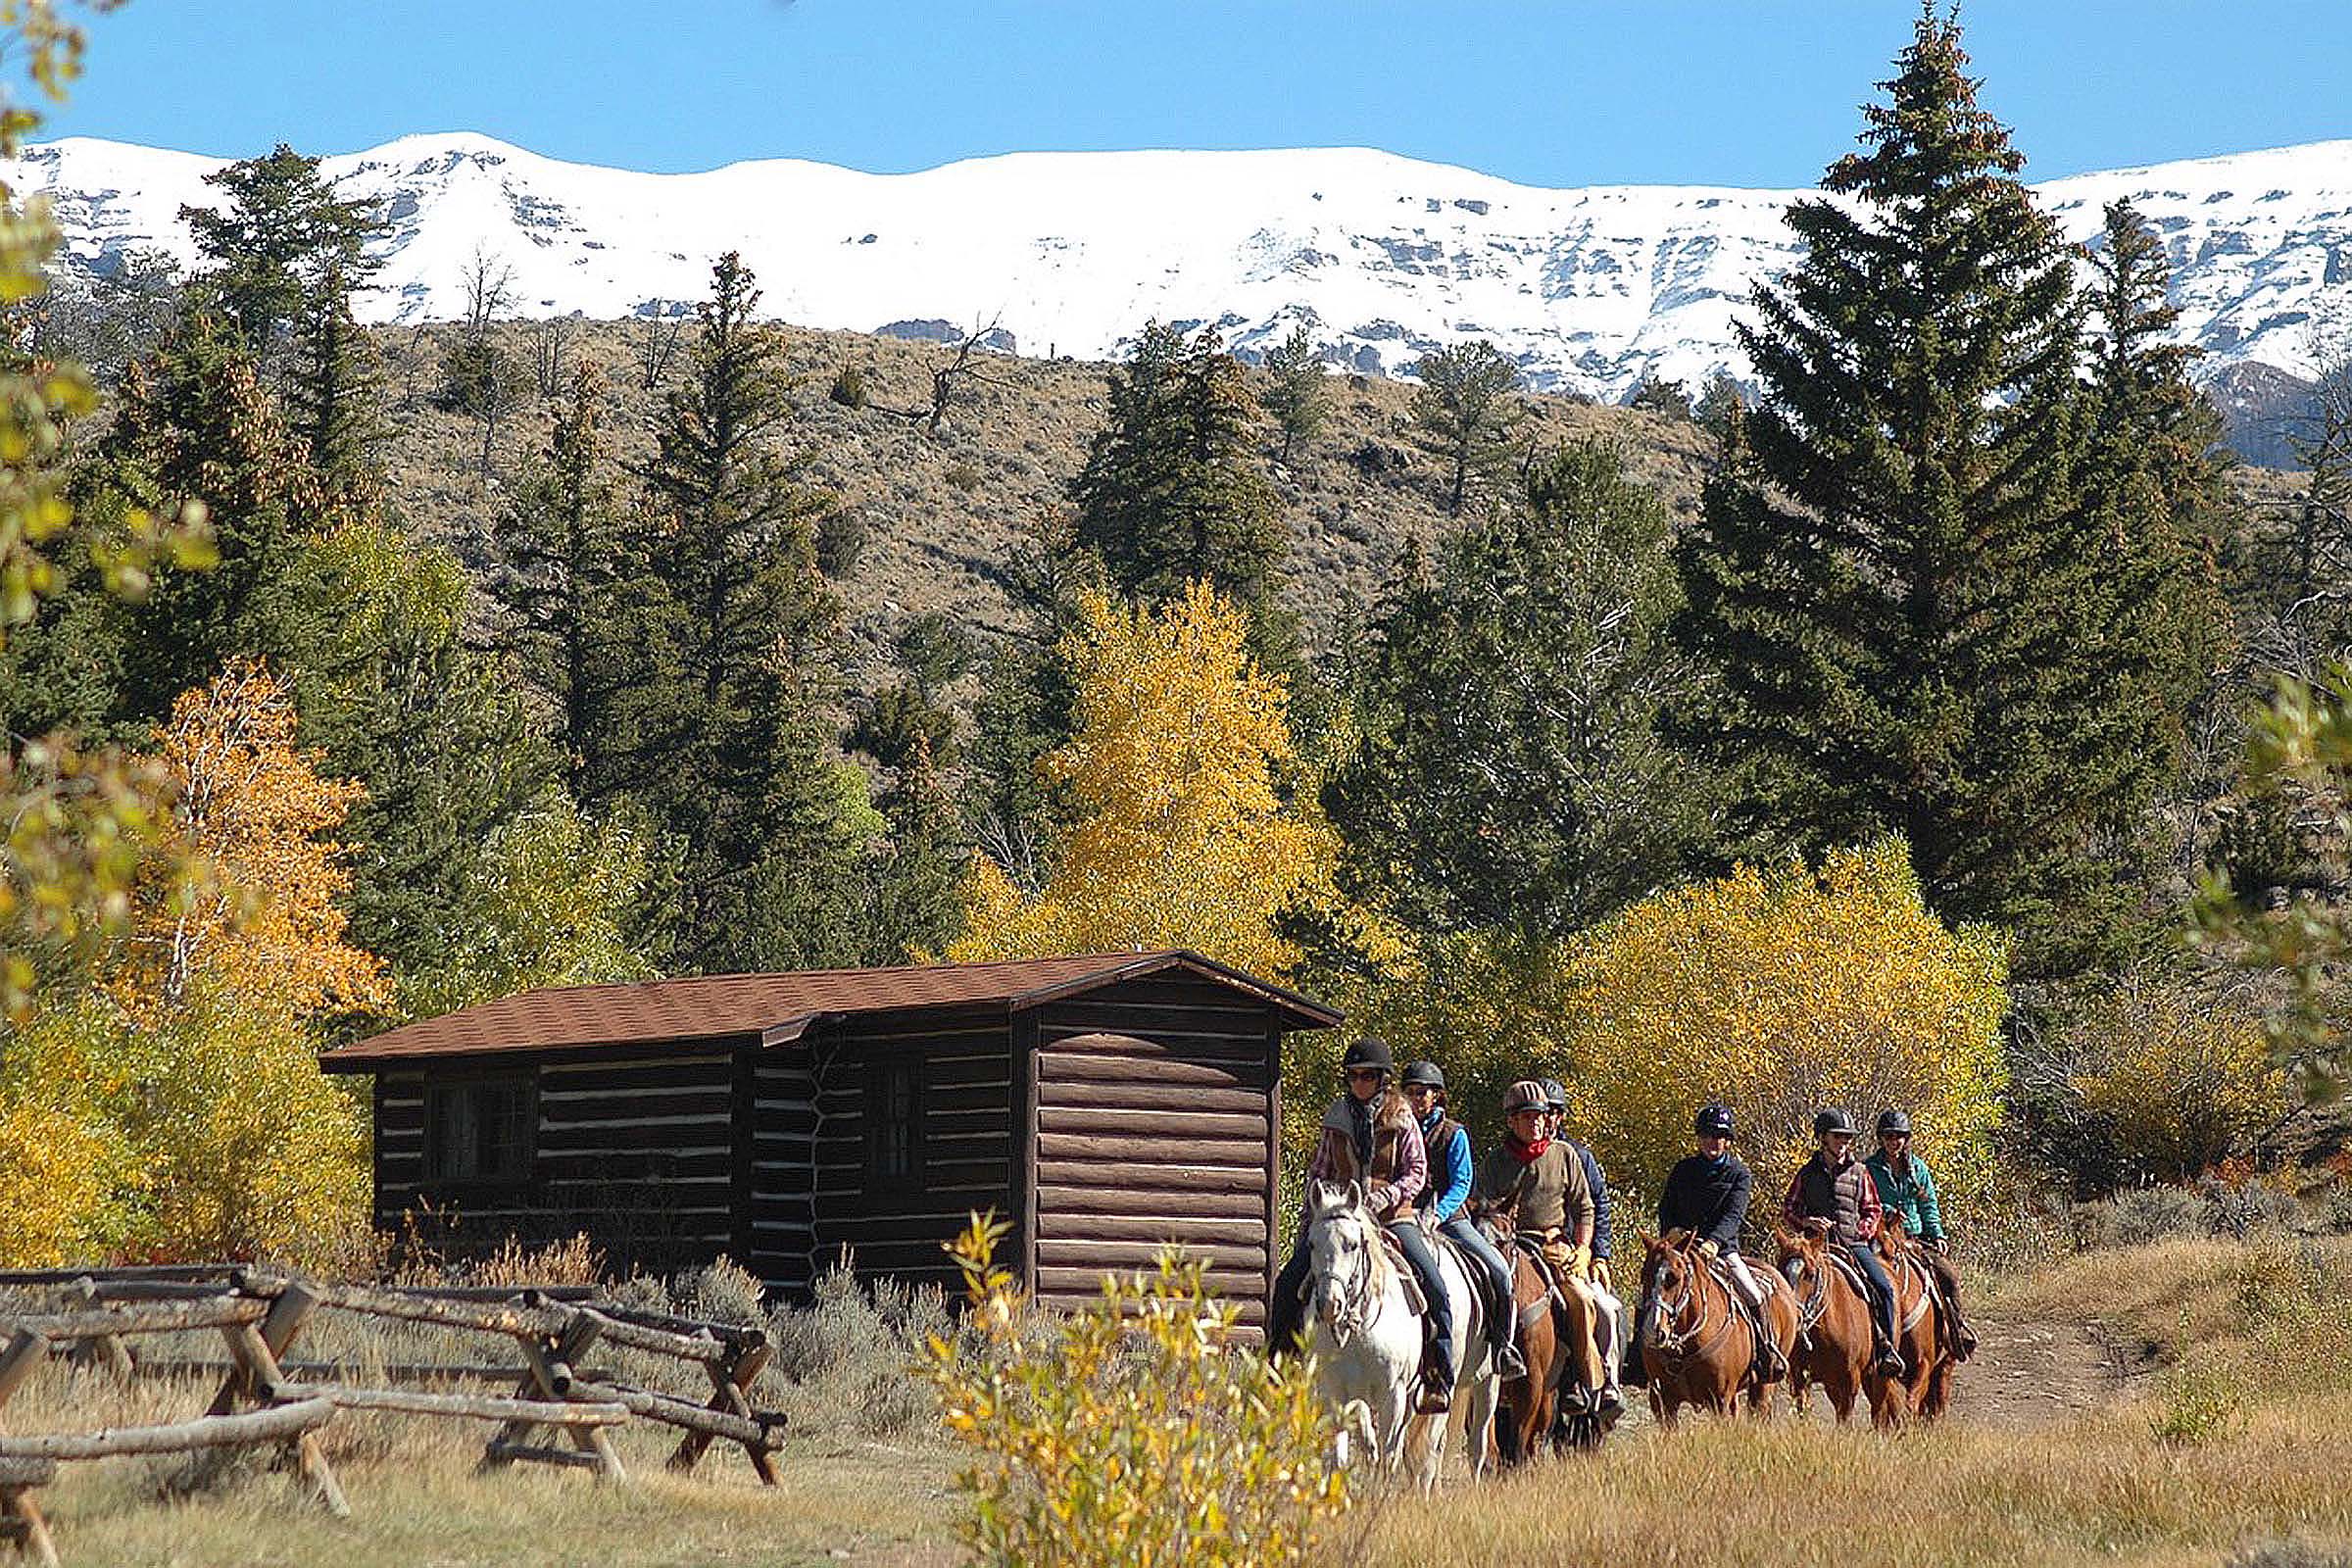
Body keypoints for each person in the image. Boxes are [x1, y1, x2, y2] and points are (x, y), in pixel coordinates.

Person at [1266, 1037, 1456, 1411]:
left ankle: (1437, 1374)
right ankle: (1280, 1370)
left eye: (1366, 1076)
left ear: (1383, 1079)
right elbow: (1319, 1173)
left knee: (1435, 1285)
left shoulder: (1402, 1116)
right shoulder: (1335, 1117)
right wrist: (1310, 1223)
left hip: (1392, 1219)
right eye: (1352, 1076)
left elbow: (1417, 1173)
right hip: (1339, 1220)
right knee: (1288, 1284)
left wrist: (1386, 1197)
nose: (1358, 1083)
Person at [1626, 1102, 1784, 1386]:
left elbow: (1734, 1214)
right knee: (1647, 1294)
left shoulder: (1739, 1174)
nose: (1714, 1141)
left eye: (1720, 1135)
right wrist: (1671, 1230)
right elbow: (1667, 1206)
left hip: (1722, 1250)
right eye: (1709, 1134)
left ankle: (1765, 1353)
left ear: (1728, 1140)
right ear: (1699, 1138)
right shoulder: (1683, 1170)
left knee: (1753, 1294)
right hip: (1680, 1249)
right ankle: (1636, 1360)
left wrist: (1714, 1242)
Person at [1473, 1080, 1600, 1395]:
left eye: (1542, 1115)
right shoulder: (1494, 1163)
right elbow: (1483, 1211)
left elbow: (1584, 1207)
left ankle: (1585, 1381)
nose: (1538, 1122)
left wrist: (1583, 1249)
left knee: (1582, 1301)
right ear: (1511, 1120)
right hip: (1507, 1247)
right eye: (1529, 1116)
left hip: (1553, 1247)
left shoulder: (1565, 1155)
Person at [1400, 1060, 1526, 1379]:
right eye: (1410, 1092)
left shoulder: (1454, 1134)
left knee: (1499, 1271)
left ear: (1437, 1096)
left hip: (1449, 1220)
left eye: (1421, 1092)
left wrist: (1438, 1214)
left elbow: (1461, 1183)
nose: (1415, 1098)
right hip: (1403, 1217)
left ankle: (1501, 1348)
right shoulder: (1396, 1129)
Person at [1783, 1107, 1904, 1376]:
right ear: (1823, 1138)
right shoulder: (1807, 1173)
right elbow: (1789, 1209)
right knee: (1783, 1284)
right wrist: (1808, 1223)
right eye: (1838, 1136)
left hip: (1852, 1245)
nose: (1843, 1142)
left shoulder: (1860, 1172)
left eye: (1847, 1138)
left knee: (1884, 1288)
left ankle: (1886, 1348)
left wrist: (1862, 1229)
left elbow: (1873, 1210)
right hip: (1814, 1248)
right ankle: (1778, 1348)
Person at [1541, 1077, 1626, 1415]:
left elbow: (1597, 1208)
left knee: (1605, 1309)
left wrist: (1597, 1253)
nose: (1546, 1119)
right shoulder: (1513, 1153)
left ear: (1561, 1116)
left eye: (1553, 1113)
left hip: (1577, 1253)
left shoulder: (1580, 1156)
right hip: (1537, 1249)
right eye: (1541, 1112)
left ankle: (1608, 1381)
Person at [1865, 1108, 1978, 1361]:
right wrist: (1887, 1211)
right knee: (1868, 1278)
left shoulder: (1918, 1168)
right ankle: (1868, 1336)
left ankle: (1957, 1328)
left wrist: (1937, 1234)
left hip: (1915, 1237)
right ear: (1881, 1138)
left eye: (1899, 1136)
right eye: (1889, 1136)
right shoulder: (1868, 1168)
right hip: (1881, 1236)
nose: (1894, 1141)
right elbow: (1865, 1200)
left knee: (1949, 1275)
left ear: (1906, 1139)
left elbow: (1929, 1205)